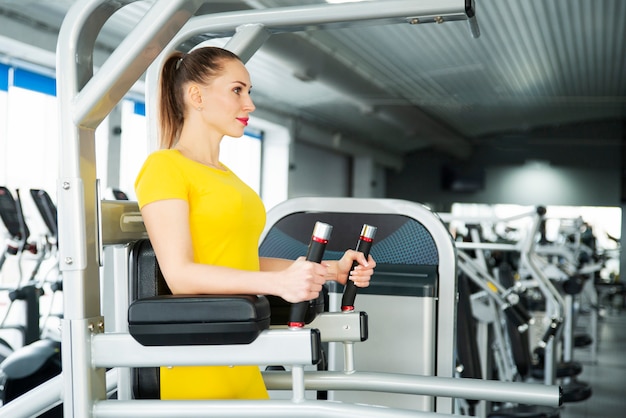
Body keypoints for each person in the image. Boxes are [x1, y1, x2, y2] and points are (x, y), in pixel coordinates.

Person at [134, 46, 376, 400]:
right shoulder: (164, 167)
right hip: (198, 362)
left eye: (249, 92)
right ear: (196, 95)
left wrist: (332, 270)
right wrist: (278, 283)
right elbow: (181, 276)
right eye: (237, 90)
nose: (249, 104)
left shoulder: (228, 176)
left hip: (240, 357)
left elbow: (240, 263)